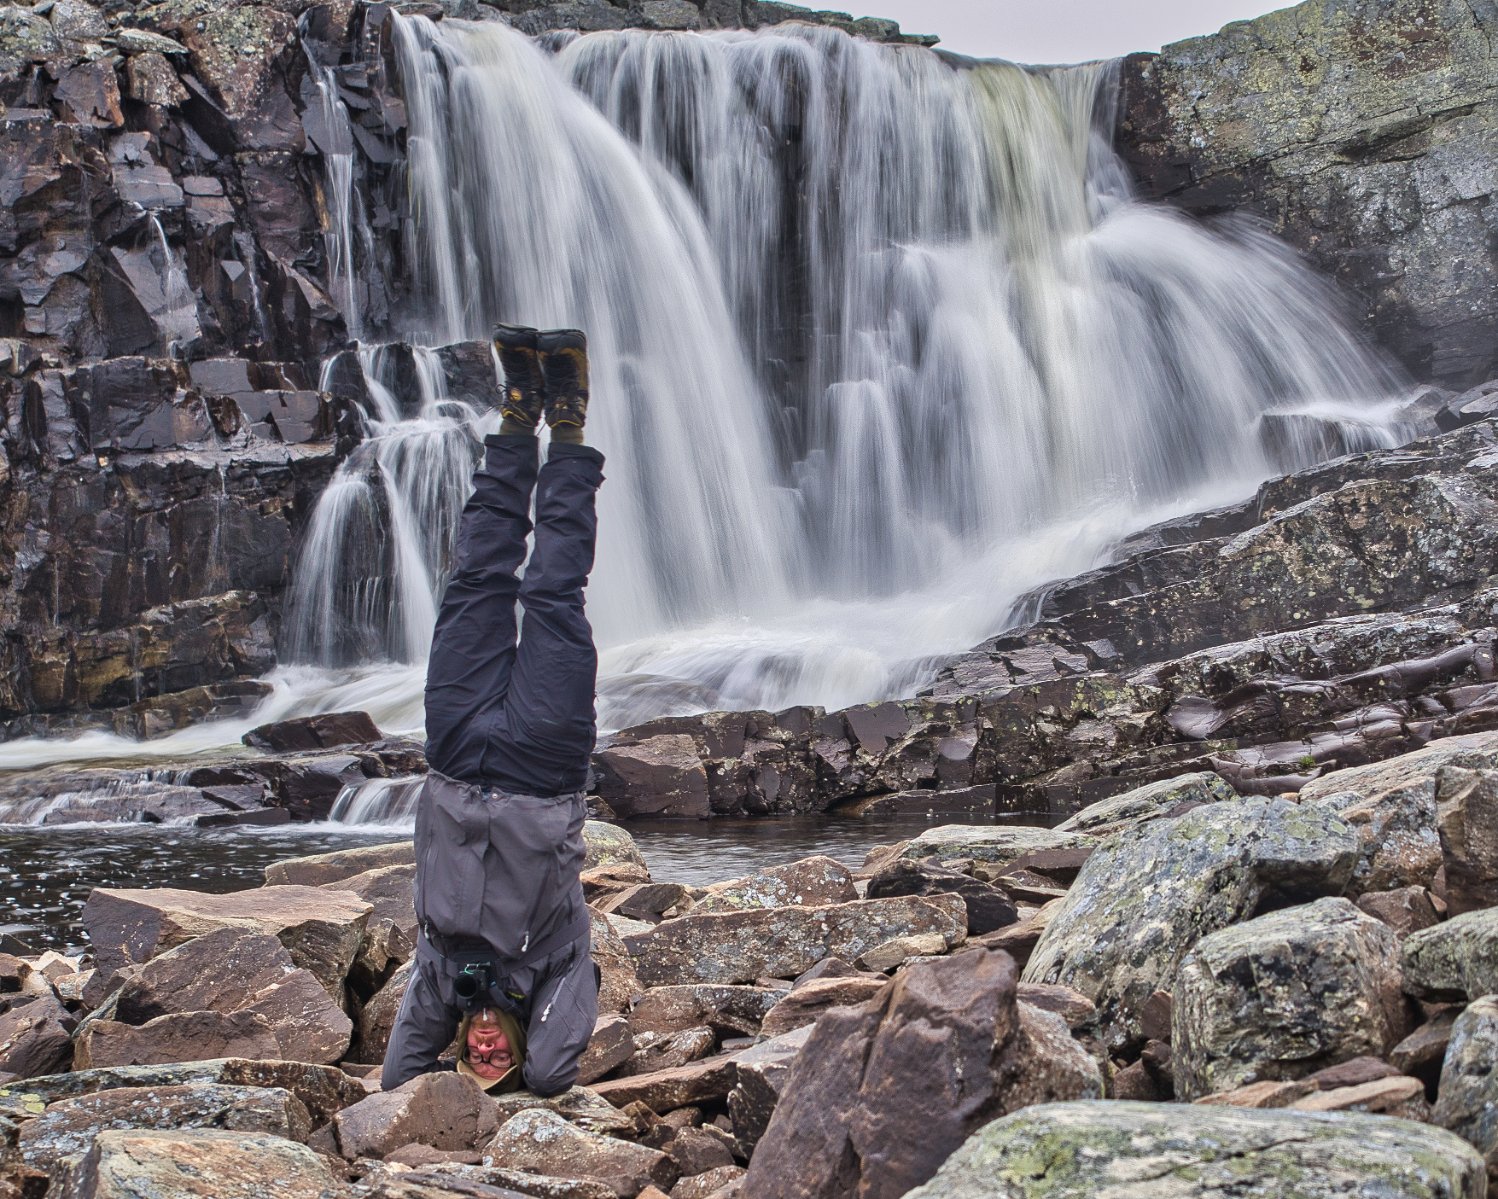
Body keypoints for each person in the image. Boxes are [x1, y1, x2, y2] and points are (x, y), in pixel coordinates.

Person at [381, 323, 603, 1097]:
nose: (482, 1051)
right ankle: (568, 417)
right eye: (494, 1058)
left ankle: (516, 412)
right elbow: (553, 1068)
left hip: (454, 748)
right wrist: (522, 1076)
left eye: (472, 1060)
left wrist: (443, 1093)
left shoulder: (442, 977)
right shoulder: (558, 962)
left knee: (476, 577)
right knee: (551, 591)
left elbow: (398, 1076)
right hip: (542, 760)